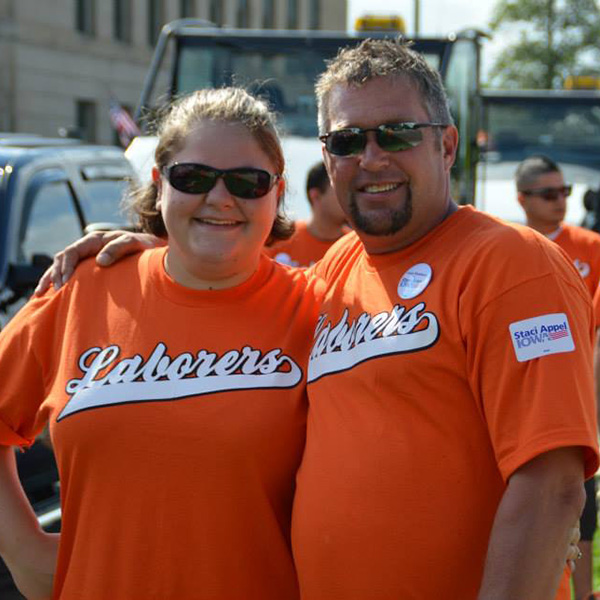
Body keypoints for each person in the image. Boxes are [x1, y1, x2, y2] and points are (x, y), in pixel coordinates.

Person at [36, 40, 596, 600]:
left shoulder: (512, 264)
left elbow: (551, 485)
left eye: (397, 133)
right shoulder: (332, 274)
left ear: (447, 145)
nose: (371, 158)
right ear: (326, 158)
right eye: (347, 140)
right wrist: (159, 247)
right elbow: (233, 279)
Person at [0, 87, 323, 600]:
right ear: (159, 182)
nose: (220, 198)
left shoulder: (318, 306)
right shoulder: (84, 289)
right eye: (192, 178)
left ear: (277, 192)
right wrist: (23, 548)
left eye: (247, 181)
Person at [516, 155, 600, 600]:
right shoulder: (508, 248)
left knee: (581, 512)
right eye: (549, 194)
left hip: (578, 396)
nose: (560, 202)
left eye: (564, 192)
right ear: (522, 199)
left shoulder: (592, 246)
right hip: (527, 401)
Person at [265, 160, 349, 267]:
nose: (351, 199)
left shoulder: (359, 248)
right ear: (316, 196)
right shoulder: (278, 238)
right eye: (341, 191)